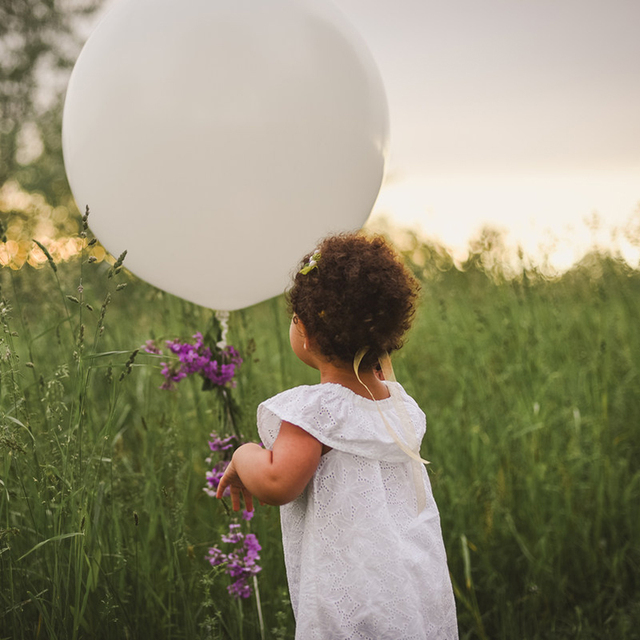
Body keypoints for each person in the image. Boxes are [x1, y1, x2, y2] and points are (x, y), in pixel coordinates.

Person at [217, 233, 458, 639]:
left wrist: (243, 455)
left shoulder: (318, 413)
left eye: (295, 318)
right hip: (409, 585)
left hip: (352, 598)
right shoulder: (398, 405)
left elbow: (277, 482)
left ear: (307, 332)